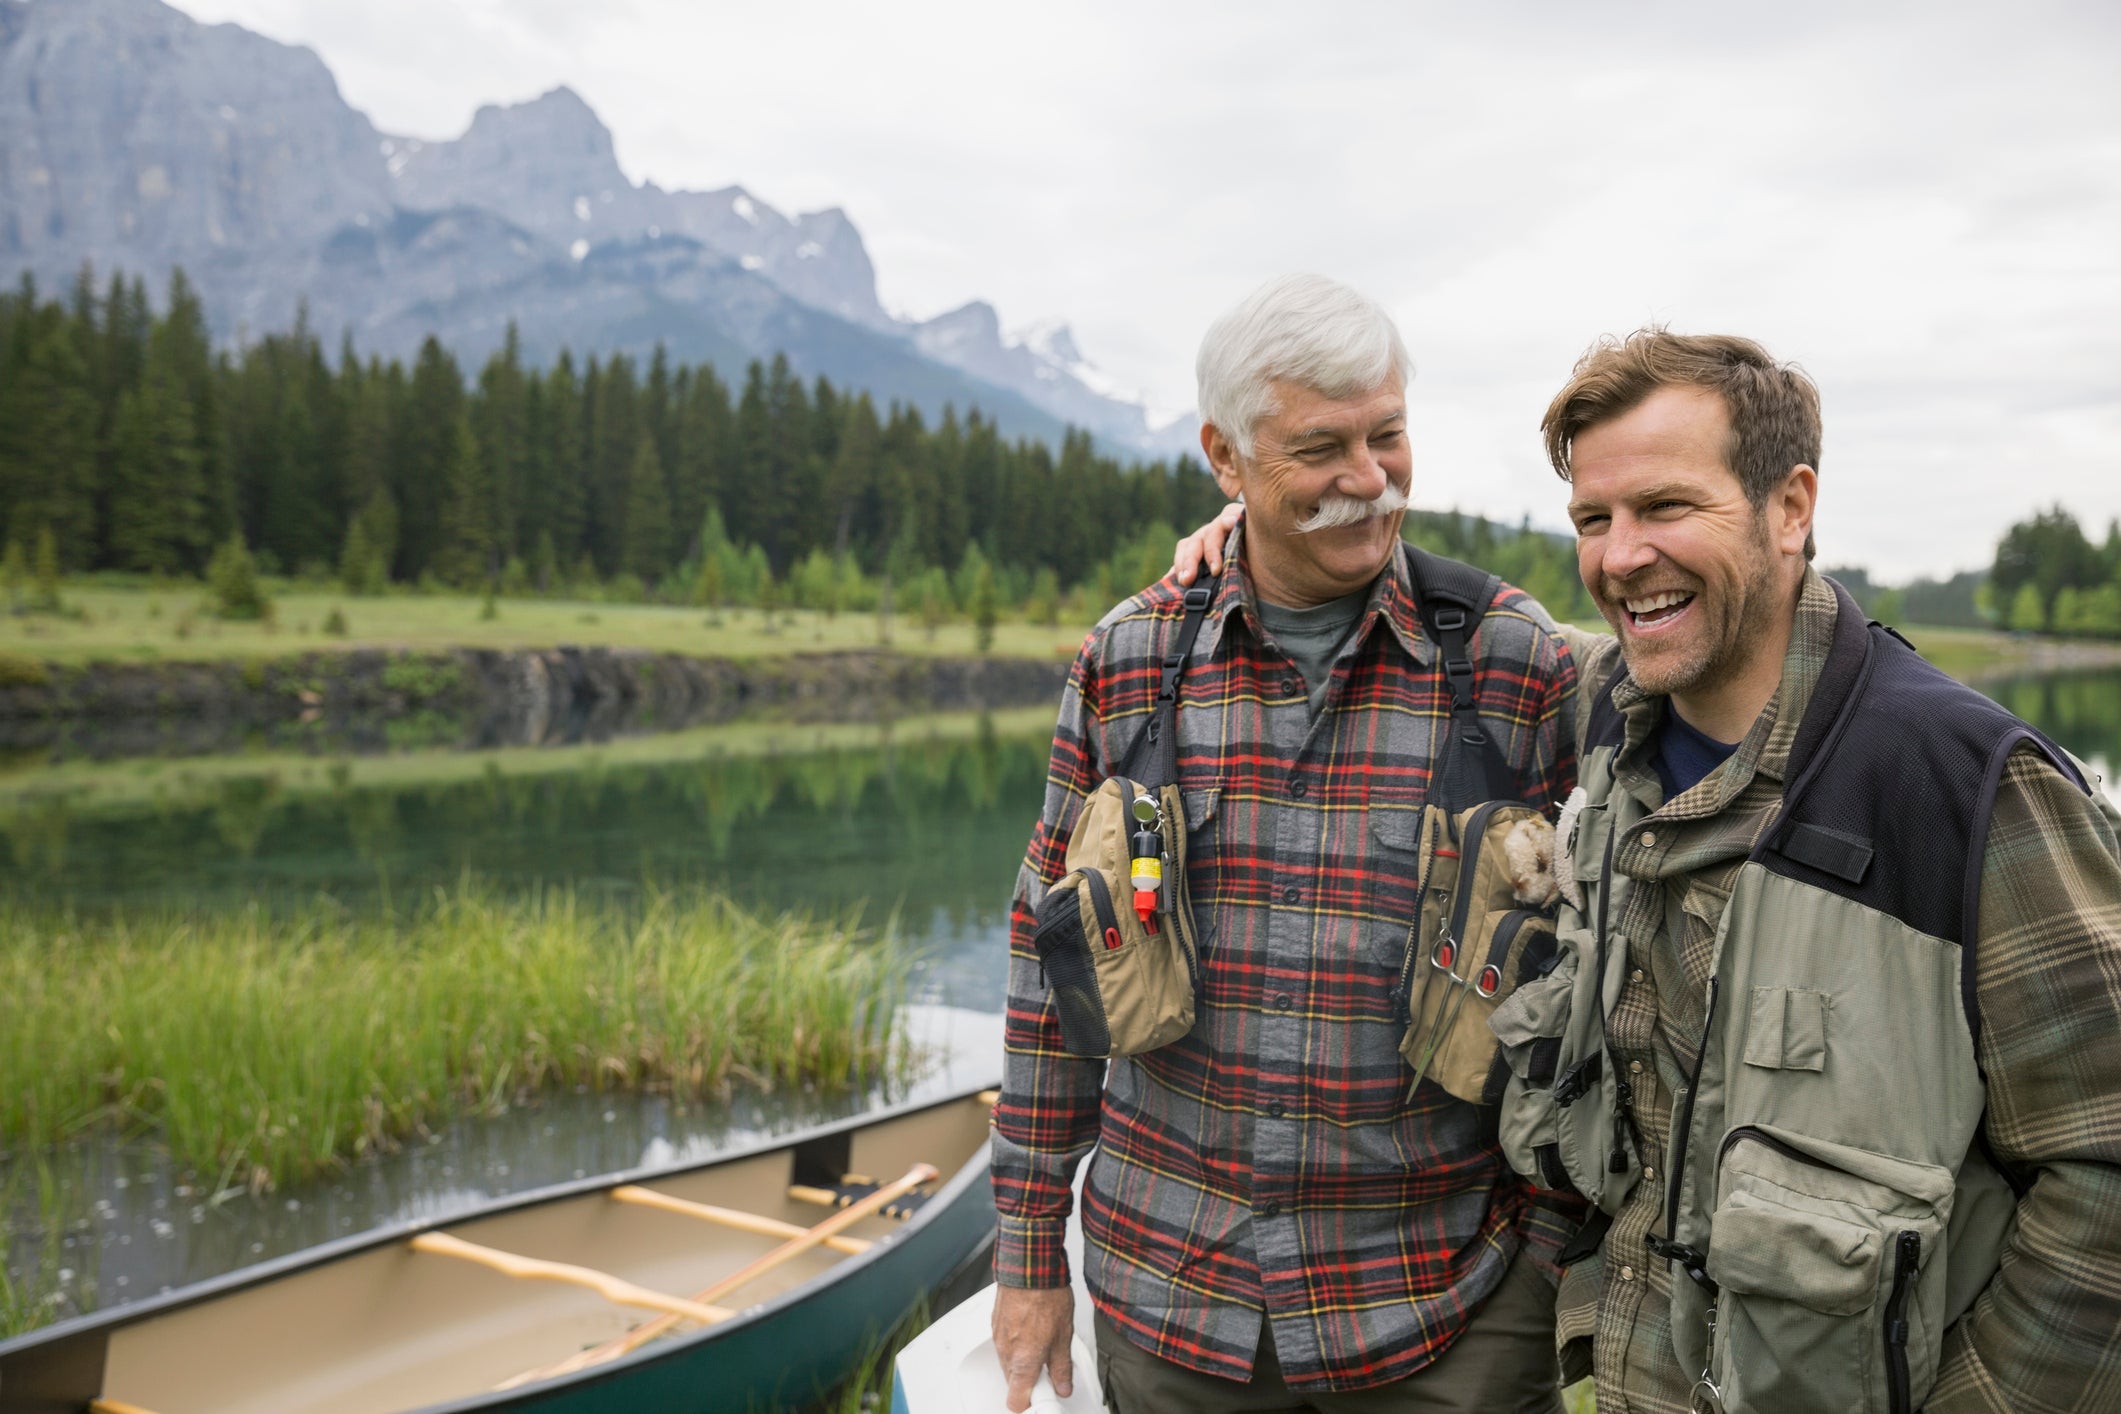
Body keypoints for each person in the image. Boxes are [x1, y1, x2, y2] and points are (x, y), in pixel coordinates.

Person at [1174, 330, 2121, 1412]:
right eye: (1593, 519)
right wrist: (1260, 530)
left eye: (1665, 507)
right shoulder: (1600, 713)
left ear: (1790, 508)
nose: (1621, 557)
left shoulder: (1967, 787)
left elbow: (2102, 1167)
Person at [990, 274, 1582, 1414]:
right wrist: (1027, 1255)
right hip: (1172, 1303)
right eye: (1320, 449)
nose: (1368, 477)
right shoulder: (1128, 661)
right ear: (1226, 458)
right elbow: (1042, 961)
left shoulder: (1516, 662)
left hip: (1447, 1310)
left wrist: (1547, 1263)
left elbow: (1603, 988)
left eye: (1386, 435)